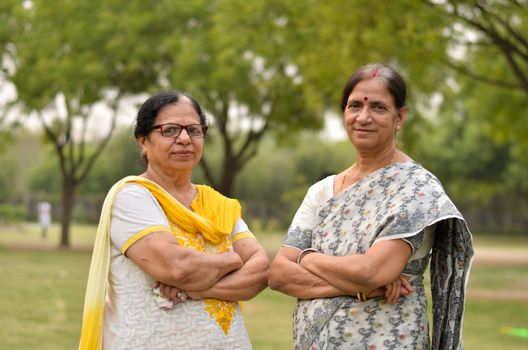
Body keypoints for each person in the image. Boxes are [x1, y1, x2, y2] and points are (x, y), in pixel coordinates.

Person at [268, 63, 474, 350]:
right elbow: (278, 274)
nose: (363, 117)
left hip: (388, 339)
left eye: (378, 107)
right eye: (354, 106)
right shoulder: (321, 191)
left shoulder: (416, 189)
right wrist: (365, 291)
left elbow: (371, 271)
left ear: (399, 117)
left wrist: (308, 259)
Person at [79, 91, 269, 349]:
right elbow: (176, 267)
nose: (184, 138)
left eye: (194, 130)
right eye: (170, 130)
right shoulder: (132, 197)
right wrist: (232, 259)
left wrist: (195, 290)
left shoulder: (217, 205)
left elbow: (261, 272)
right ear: (143, 142)